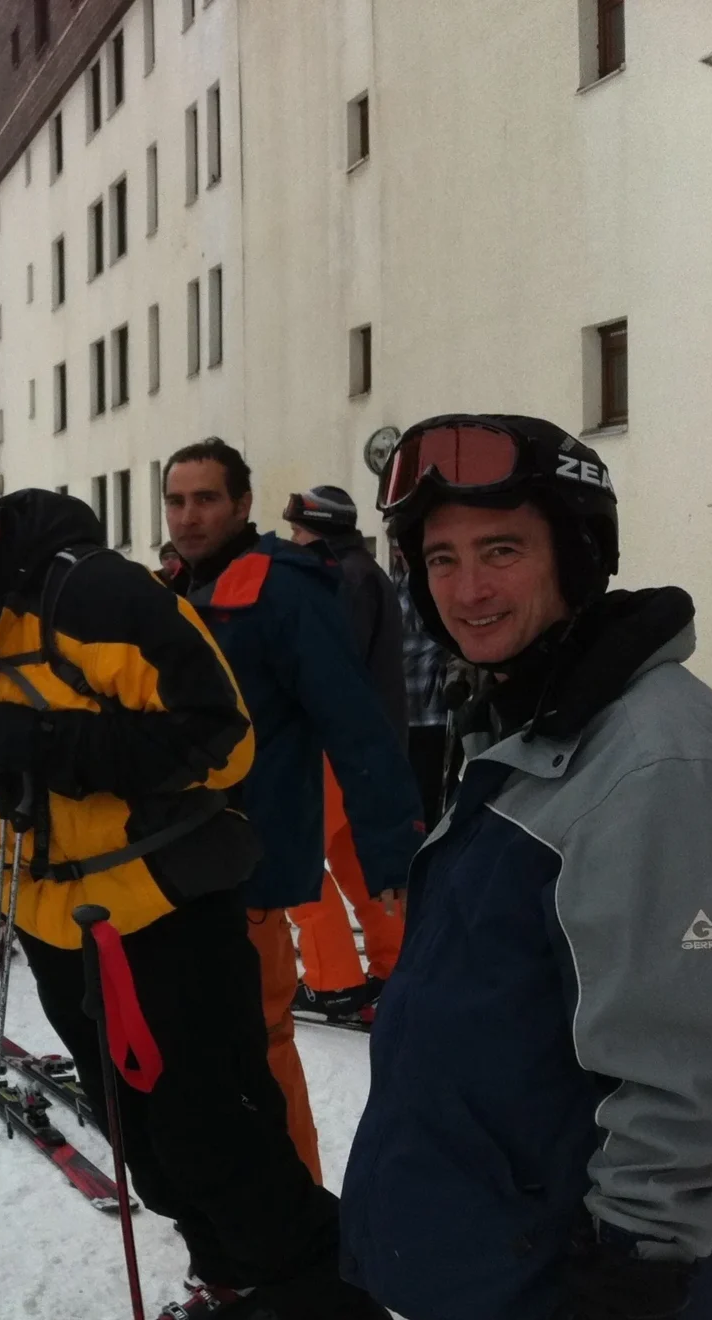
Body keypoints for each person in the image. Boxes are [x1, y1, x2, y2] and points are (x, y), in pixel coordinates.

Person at [0, 398, 407, 1320]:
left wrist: (45, 746)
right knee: (146, 1147)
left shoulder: (92, 591)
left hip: (166, 913)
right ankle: (238, 1289)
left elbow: (222, 738)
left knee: (223, 1144)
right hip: (58, 925)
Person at [342, 414, 712, 1320]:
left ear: (576, 555)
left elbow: (685, 1068)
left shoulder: (650, 761)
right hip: (485, 1263)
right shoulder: (532, 721)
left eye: (502, 551)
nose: (467, 591)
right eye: (442, 559)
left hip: (557, 1294)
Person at [165, 439, 422, 1181]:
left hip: (251, 857)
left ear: (242, 505)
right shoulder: (179, 591)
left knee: (262, 1037)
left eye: (206, 499)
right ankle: (238, 1198)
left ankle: (296, 1207)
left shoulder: (282, 587)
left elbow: (354, 719)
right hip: (176, 860)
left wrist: (391, 846)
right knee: (204, 1042)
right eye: (177, 501)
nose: (189, 516)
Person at [282, 485, 408, 1020]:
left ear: (317, 528)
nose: (291, 539)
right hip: (367, 748)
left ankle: (332, 980)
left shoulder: (338, 578)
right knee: (358, 863)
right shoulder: (365, 572)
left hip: (330, 746)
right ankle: (395, 972)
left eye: (297, 530)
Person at [392, 544, 452, 829]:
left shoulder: (410, 586)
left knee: (420, 796)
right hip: (423, 709)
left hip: (419, 709)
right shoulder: (410, 586)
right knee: (425, 795)